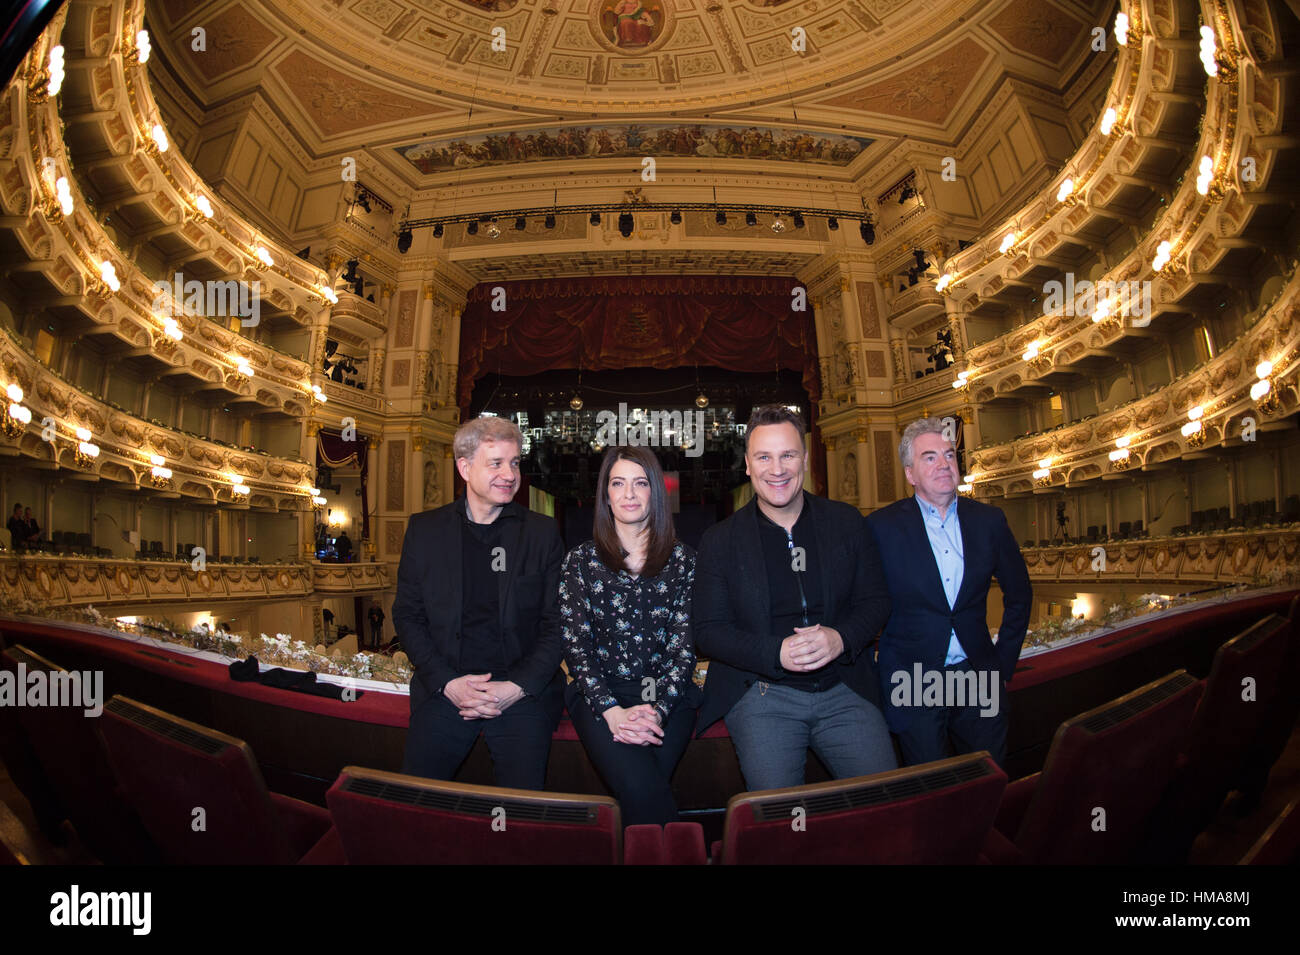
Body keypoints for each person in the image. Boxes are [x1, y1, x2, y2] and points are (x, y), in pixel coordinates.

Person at [693, 405, 896, 791]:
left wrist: (841, 638)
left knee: (882, 803)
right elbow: (708, 631)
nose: (777, 468)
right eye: (764, 457)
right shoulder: (719, 540)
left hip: (845, 689)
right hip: (762, 696)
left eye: (787, 454)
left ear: (805, 458)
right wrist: (776, 653)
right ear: (748, 466)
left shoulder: (847, 522)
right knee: (780, 821)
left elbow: (876, 600)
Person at [393, 416, 565, 790]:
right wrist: (447, 684)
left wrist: (516, 687)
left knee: (521, 810)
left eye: (515, 462)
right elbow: (407, 616)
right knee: (414, 800)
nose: (509, 474)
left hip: (521, 694)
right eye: (496, 463)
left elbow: (557, 624)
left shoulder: (542, 532)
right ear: (465, 467)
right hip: (446, 690)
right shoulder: (424, 530)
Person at [865, 417, 1032, 767]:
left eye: (949, 455)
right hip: (913, 682)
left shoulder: (989, 521)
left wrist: (1002, 668)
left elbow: (1020, 595)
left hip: (977, 674)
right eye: (929, 457)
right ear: (910, 473)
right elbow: (863, 605)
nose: (944, 464)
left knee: (987, 780)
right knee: (931, 790)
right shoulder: (880, 528)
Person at [559, 445, 700, 825]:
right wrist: (613, 712)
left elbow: (683, 649)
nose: (629, 494)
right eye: (618, 483)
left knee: (642, 791)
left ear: (656, 491)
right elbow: (576, 647)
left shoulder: (685, 560)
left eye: (640, 483)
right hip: (601, 695)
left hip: (668, 695)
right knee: (644, 790)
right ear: (605, 494)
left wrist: (657, 710)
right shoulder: (580, 561)